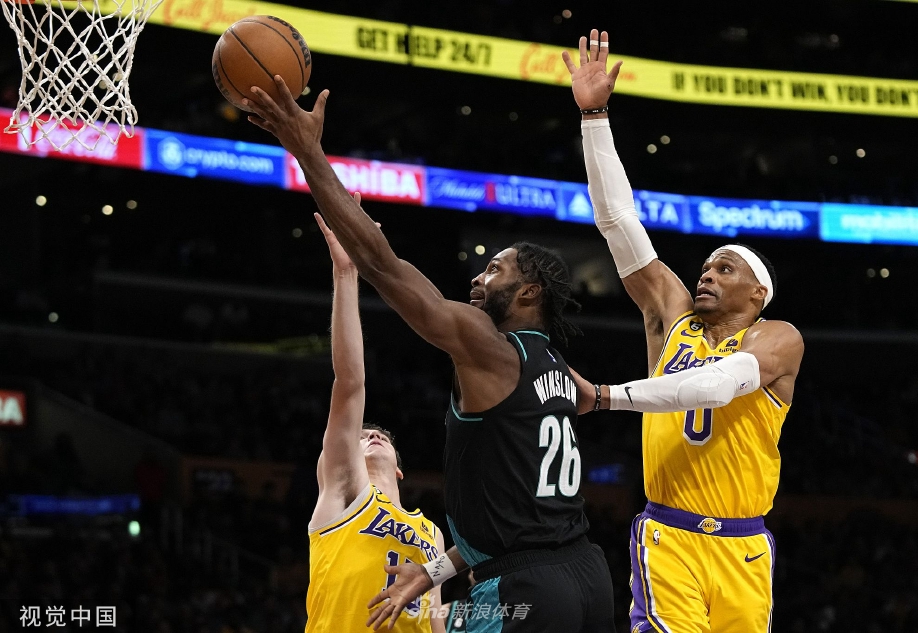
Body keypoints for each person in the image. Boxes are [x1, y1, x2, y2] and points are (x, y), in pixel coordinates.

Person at [243, 79, 614, 632]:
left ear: (529, 293)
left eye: (495, 270)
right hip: (587, 574)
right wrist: (432, 572)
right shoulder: (560, 371)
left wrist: (308, 153)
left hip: (523, 586)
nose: (478, 278)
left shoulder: (492, 347)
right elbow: (586, 410)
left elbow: (383, 263)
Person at [563, 29, 805, 633]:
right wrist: (594, 118)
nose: (706, 275)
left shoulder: (778, 338)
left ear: (758, 293)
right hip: (669, 534)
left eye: (725, 269)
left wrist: (606, 396)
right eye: (705, 268)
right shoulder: (673, 318)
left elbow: (718, 387)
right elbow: (618, 220)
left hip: (745, 548)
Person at [305, 201, 445, 633]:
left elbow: (435, 614)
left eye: (379, 435)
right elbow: (350, 384)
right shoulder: (346, 490)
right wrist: (346, 274)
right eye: (362, 436)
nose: (372, 436)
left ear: (400, 469)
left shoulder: (432, 533)